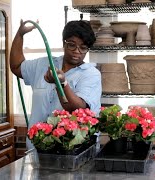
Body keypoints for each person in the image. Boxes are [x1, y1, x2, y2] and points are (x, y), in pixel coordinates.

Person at [10, 20, 102, 149]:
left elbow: (77, 109)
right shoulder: (45, 64)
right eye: (72, 45)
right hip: (37, 146)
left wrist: (62, 83)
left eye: (83, 48)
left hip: (72, 150)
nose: (77, 51)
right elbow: (16, 66)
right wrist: (20, 35)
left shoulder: (91, 74)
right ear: (63, 43)